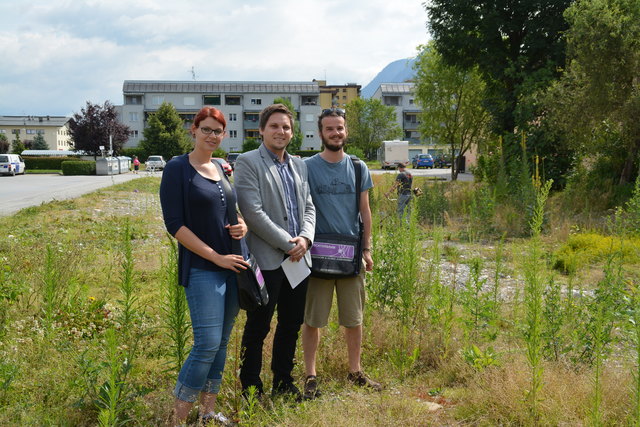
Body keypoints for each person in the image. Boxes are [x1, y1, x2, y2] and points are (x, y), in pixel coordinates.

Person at [159, 106, 249, 426]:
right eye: (206, 129)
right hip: (203, 268)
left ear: (224, 135)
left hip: (232, 267)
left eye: (218, 131)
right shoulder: (177, 168)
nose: (212, 136)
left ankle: (207, 411)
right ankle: (178, 418)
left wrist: (242, 226)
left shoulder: (221, 168)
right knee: (206, 343)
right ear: (193, 130)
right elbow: (175, 225)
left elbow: (231, 213)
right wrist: (215, 257)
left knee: (221, 342)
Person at [234, 103, 316, 401]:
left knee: (291, 324)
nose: (281, 131)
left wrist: (306, 238)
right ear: (262, 130)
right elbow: (252, 213)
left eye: (286, 127)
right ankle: (251, 387)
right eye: (275, 126)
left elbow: (308, 206)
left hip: (299, 259)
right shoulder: (248, 161)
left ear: (292, 133)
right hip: (268, 260)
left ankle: (283, 380)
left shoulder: (299, 164)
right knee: (258, 326)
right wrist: (288, 243)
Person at [301, 108, 381, 400]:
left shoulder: (359, 168)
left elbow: (365, 211)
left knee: (354, 318)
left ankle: (355, 371)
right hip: (317, 255)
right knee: (313, 320)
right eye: (329, 129)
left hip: (351, 256)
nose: (336, 133)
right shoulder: (306, 167)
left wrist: (367, 248)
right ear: (320, 133)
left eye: (340, 128)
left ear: (346, 131)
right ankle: (311, 376)